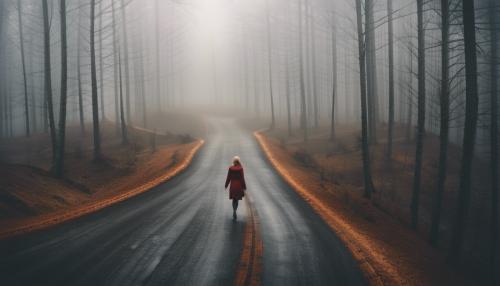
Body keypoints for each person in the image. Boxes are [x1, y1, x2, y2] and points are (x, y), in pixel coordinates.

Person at [225, 156, 246, 220]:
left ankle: (234, 210)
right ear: (239, 161)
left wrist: (226, 185)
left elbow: (228, 177)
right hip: (239, 186)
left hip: (233, 186)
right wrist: (244, 186)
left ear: (233, 161)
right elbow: (242, 178)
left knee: (234, 199)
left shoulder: (230, 168)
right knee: (236, 200)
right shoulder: (241, 168)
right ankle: (235, 210)